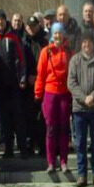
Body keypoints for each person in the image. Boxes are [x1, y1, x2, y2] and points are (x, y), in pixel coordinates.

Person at [67, 32, 94, 187]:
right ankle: (81, 174)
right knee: (80, 143)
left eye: (89, 42)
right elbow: (71, 83)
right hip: (79, 109)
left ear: (93, 44)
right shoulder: (75, 60)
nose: (86, 45)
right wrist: (84, 98)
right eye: (84, 42)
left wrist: (93, 96)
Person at [0, 8, 29, 158]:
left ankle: (23, 147)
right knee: (3, 119)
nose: (0, 23)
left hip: (14, 85)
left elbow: (21, 59)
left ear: (6, 21)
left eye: (2, 20)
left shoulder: (13, 37)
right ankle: (8, 148)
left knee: (18, 116)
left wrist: (23, 78)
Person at [35, 23, 73, 172]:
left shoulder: (69, 52)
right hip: (50, 93)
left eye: (60, 33)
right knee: (51, 129)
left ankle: (63, 161)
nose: (58, 36)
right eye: (55, 33)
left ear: (64, 35)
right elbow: (41, 74)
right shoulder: (46, 52)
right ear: (52, 35)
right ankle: (51, 161)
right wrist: (38, 94)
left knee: (64, 128)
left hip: (65, 93)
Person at [21, 16, 49, 156]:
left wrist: (39, 78)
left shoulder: (45, 41)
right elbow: (19, 62)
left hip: (43, 83)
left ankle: (43, 146)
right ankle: (31, 145)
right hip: (28, 85)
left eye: (34, 25)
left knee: (43, 117)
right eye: (29, 26)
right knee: (29, 117)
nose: (31, 28)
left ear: (39, 26)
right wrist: (27, 77)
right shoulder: (23, 41)